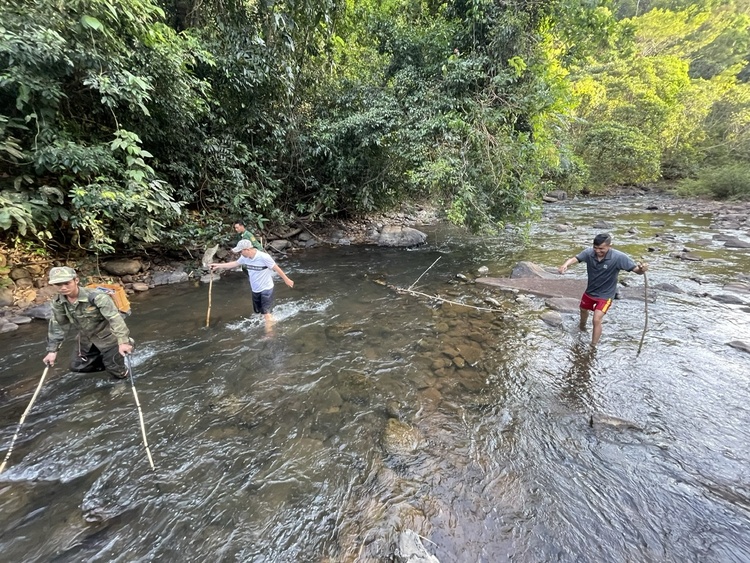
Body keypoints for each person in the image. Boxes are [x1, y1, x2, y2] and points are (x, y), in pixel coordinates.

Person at [558, 233, 648, 346]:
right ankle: (582, 326)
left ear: (610, 246)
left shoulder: (619, 257)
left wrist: (642, 269)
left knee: (596, 319)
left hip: (606, 295)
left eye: (601, 248)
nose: (597, 251)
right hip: (590, 292)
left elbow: (637, 270)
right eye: (595, 248)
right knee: (583, 310)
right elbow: (575, 258)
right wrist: (565, 265)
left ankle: (593, 346)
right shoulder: (589, 253)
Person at [42, 267, 133, 378]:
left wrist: (123, 341)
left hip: (109, 338)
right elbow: (58, 325)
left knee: (116, 371)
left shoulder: (97, 297)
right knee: (77, 367)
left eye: (67, 283)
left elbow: (115, 319)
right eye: (58, 285)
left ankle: (119, 367)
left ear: (76, 280)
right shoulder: (58, 302)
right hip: (86, 339)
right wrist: (52, 351)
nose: (63, 288)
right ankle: (110, 361)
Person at [210, 239, 294, 331]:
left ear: (247, 249)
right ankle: (271, 321)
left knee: (266, 314)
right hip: (255, 289)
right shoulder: (244, 258)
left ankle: (269, 335)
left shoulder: (263, 257)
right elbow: (234, 264)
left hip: (266, 288)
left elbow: (276, 268)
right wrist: (218, 265)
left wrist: (286, 279)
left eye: (241, 251)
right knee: (258, 313)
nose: (240, 253)